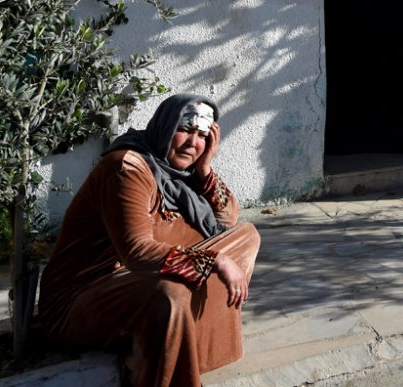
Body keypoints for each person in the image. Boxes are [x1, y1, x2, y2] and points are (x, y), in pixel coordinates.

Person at [39, 94, 261, 387]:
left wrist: (205, 167)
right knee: (171, 293)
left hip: (137, 279)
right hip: (82, 298)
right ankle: (163, 357)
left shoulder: (178, 174)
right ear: (164, 126)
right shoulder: (127, 169)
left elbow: (226, 220)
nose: (192, 143)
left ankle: (179, 339)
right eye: (185, 129)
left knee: (246, 236)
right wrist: (213, 260)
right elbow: (136, 251)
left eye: (202, 136)